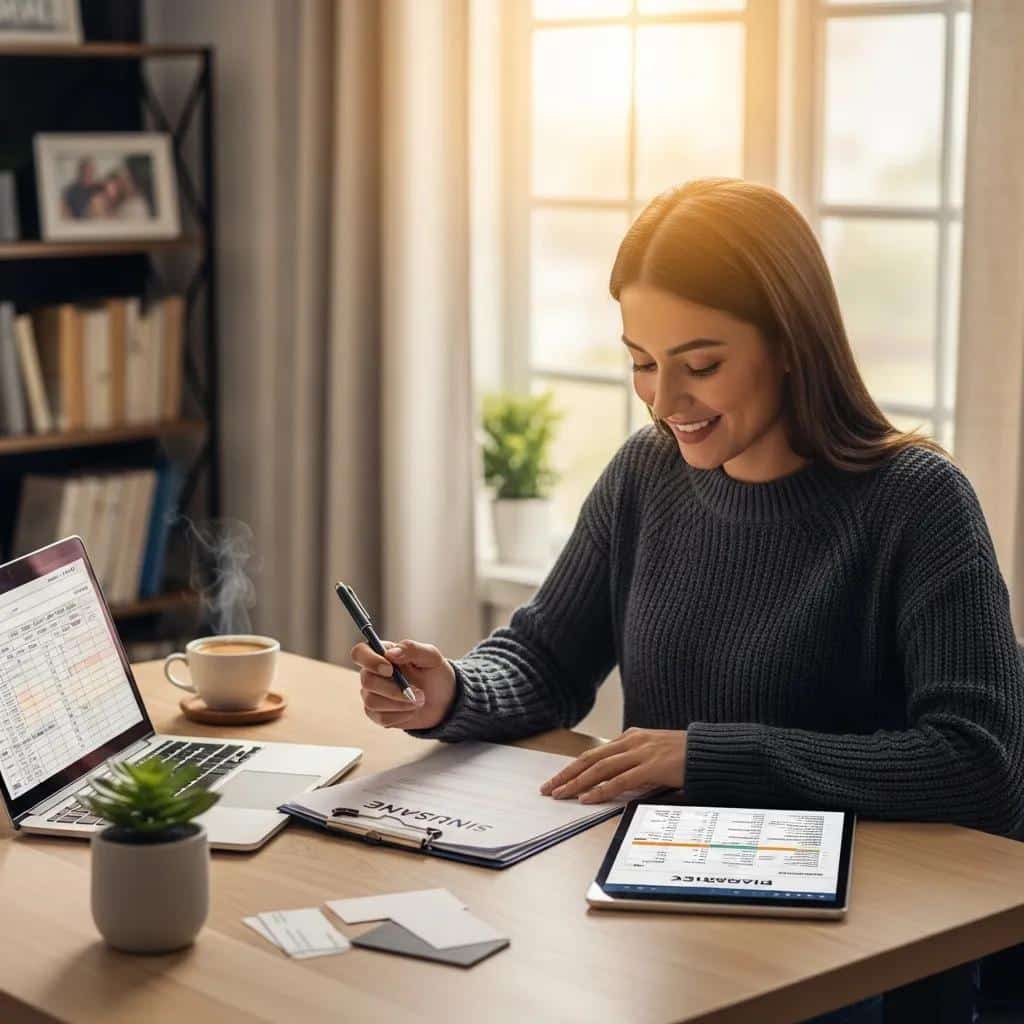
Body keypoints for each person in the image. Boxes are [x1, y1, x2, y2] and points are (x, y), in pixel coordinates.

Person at [350, 178, 1024, 1023]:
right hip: (660, 920)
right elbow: (548, 657)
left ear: (790, 342)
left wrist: (709, 758)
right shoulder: (647, 473)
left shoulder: (919, 504)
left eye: (700, 365)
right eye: (641, 362)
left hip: (854, 954)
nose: (666, 403)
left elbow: (983, 764)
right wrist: (454, 688)